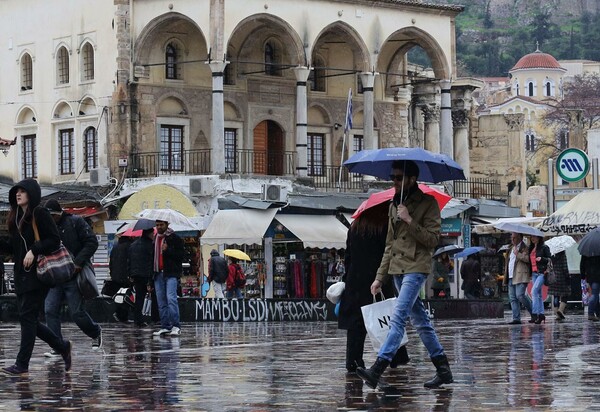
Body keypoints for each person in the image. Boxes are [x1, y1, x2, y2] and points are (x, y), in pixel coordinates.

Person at [356, 160, 453, 389]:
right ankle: (443, 370)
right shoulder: (393, 205)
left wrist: (409, 220)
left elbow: (432, 240)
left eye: (399, 177)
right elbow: (390, 245)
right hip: (398, 269)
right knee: (421, 322)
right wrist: (380, 277)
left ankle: (377, 369)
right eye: (393, 177)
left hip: (416, 268)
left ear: (411, 179)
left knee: (398, 318)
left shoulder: (428, 204)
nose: (394, 181)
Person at [0, 179, 72, 374]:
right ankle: (62, 347)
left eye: (22, 191)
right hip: (21, 275)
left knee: (27, 317)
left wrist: (34, 249)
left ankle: (22, 364)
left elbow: (54, 240)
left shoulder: (39, 213)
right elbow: (14, 250)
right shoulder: (16, 217)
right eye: (16, 191)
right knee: (29, 319)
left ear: (31, 194)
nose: (18, 194)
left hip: (38, 274)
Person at [338, 202, 408, 373]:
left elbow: (348, 256)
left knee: (356, 324)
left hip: (355, 280)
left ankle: (353, 361)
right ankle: (395, 357)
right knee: (387, 319)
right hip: (378, 279)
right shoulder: (384, 227)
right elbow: (389, 254)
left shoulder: (355, 228)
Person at [43, 199, 102, 356]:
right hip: (55, 276)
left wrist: (78, 262)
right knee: (49, 310)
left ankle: (95, 332)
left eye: (52, 217)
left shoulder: (76, 222)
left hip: (74, 275)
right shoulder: (46, 227)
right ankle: (57, 345)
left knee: (77, 313)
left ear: (58, 214)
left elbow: (91, 243)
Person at [152, 219, 184, 336]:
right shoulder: (155, 238)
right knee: (161, 302)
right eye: (157, 225)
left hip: (170, 273)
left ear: (167, 224)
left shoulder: (174, 238)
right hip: (158, 273)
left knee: (171, 299)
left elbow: (181, 256)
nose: (159, 227)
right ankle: (165, 326)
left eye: (161, 225)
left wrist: (167, 250)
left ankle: (176, 325)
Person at [503, 232, 532, 325]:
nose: (513, 239)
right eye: (512, 238)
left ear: (520, 237)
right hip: (510, 275)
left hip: (520, 275)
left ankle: (533, 312)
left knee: (520, 295)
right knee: (512, 298)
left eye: (514, 238)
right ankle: (516, 318)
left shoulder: (525, 247)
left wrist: (518, 254)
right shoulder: (510, 248)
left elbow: (528, 259)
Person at [128, 228, 155, 327]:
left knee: (139, 297)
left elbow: (129, 260)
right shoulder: (150, 245)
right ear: (149, 233)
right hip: (146, 274)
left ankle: (137, 318)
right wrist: (150, 279)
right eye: (152, 233)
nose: (153, 235)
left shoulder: (133, 244)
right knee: (151, 297)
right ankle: (153, 318)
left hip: (136, 274)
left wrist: (130, 274)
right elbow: (150, 262)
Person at [109, 235, 134, 322]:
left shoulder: (115, 246)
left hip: (116, 277)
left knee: (119, 296)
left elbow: (111, 261)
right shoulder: (130, 246)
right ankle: (122, 316)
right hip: (126, 277)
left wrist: (112, 274)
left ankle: (119, 315)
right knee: (126, 297)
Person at [528, 235, 551, 324]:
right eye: (532, 237)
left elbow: (549, 259)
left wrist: (542, 258)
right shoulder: (531, 248)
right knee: (538, 294)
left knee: (533, 292)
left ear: (539, 238)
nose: (532, 238)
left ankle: (535, 314)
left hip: (542, 272)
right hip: (534, 273)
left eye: (534, 237)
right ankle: (541, 315)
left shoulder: (544, 247)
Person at [548, 250, 570, 321]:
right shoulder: (562, 255)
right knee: (565, 294)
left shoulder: (551, 256)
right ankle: (560, 310)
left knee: (555, 295)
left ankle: (557, 314)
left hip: (553, 277)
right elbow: (565, 267)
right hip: (561, 277)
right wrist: (568, 276)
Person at [580, 255, 600, 321]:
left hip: (590, 275)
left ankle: (598, 314)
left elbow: (582, 263)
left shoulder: (587, 251)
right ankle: (590, 313)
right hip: (597, 275)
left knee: (595, 294)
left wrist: (582, 275)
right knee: (595, 294)